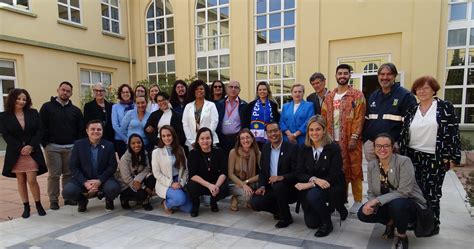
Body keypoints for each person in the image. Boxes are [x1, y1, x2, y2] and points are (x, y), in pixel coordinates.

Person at [399, 76, 461, 235]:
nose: (422, 91)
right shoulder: (412, 109)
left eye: (426, 88)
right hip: (412, 155)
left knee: (432, 192)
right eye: (419, 89)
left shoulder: (445, 107)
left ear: (434, 89)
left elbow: (453, 133)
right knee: (414, 190)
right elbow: (405, 132)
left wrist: (453, 157)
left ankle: (432, 225)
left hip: (435, 156)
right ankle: (416, 220)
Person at [358, 133, 427, 249]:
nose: (382, 149)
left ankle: (401, 235)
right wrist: (371, 203)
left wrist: (376, 201)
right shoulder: (372, 165)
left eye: (386, 146)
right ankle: (390, 223)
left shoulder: (404, 161)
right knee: (363, 213)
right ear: (374, 148)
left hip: (409, 203)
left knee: (397, 204)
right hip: (387, 203)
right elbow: (371, 192)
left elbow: (404, 192)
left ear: (392, 147)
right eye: (378, 146)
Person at [321, 64, 366, 213]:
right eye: (339, 73)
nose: (342, 76)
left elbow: (359, 118)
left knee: (354, 168)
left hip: (350, 140)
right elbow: (323, 118)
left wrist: (354, 137)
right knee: (339, 170)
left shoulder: (357, 95)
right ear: (335, 76)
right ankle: (343, 199)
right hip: (332, 141)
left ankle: (358, 200)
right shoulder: (329, 96)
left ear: (349, 76)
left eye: (345, 73)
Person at [295, 115, 347, 237]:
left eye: (318, 129)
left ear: (324, 130)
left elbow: (335, 173)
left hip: (331, 184)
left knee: (313, 194)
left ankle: (327, 223)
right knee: (312, 224)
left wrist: (310, 184)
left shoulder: (333, 147)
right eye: (311, 130)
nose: (314, 133)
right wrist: (314, 181)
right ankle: (327, 208)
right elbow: (299, 172)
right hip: (314, 185)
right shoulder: (303, 148)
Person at [0, 89, 48, 218]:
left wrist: (31, 146)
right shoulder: (4, 116)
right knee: (20, 180)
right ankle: (26, 206)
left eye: (24, 99)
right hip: (16, 153)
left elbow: (40, 131)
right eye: (19, 98)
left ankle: (38, 204)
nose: (22, 101)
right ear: (12, 99)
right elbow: (6, 135)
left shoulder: (33, 113)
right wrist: (19, 147)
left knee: (32, 179)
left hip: (32, 151)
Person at [40, 81, 84, 210]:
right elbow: (41, 126)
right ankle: (53, 200)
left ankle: (68, 197)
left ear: (71, 93)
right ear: (58, 90)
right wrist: (45, 144)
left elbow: (81, 129)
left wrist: (77, 145)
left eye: (68, 91)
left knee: (68, 174)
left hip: (70, 147)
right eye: (63, 90)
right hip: (52, 147)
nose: (65, 92)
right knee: (54, 175)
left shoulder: (75, 110)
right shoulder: (47, 107)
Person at [62, 120, 121, 212]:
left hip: (103, 179)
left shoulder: (109, 145)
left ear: (102, 131)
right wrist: (85, 182)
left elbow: (112, 166)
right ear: (87, 131)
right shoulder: (79, 145)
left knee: (114, 188)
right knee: (68, 192)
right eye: (92, 129)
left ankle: (109, 199)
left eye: (99, 129)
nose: (96, 131)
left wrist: (100, 180)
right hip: (84, 179)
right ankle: (82, 200)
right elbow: (73, 167)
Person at [363, 63, 417, 162]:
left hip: (393, 146)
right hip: (372, 145)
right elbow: (367, 119)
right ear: (378, 76)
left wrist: (399, 143)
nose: (385, 77)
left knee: (393, 175)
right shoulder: (373, 96)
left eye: (389, 74)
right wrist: (366, 140)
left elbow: (411, 124)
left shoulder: (405, 96)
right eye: (382, 74)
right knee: (375, 174)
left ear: (395, 76)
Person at [250, 122, 298, 228]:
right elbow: (263, 171)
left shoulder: (291, 148)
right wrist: (262, 186)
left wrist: (282, 177)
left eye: (275, 131)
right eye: (270, 132)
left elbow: (297, 173)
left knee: (278, 185)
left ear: (280, 131)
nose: (273, 134)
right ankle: (279, 210)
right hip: (270, 186)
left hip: (288, 187)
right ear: (266, 134)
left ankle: (286, 218)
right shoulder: (266, 148)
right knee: (255, 202)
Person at [186, 127, 228, 217]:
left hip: (215, 183)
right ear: (197, 140)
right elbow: (192, 175)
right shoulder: (193, 153)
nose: (205, 141)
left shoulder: (219, 152)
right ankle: (195, 205)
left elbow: (224, 172)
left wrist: (216, 186)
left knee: (225, 187)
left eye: (208, 138)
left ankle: (213, 201)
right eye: (202, 138)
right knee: (191, 186)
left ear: (212, 139)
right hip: (201, 183)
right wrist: (209, 186)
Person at [152, 125, 192, 214]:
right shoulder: (156, 152)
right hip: (166, 183)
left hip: (179, 181)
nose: (166, 138)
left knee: (189, 209)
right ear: (161, 137)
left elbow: (186, 169)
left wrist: (181, 183)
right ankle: (167, 203)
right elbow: (156, 173)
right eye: (163, 136)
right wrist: (171, 184)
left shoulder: (180, 149)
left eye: (169, 135)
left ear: (173, 136)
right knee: (180, 199)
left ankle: (175, 198)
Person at [117, 134, 155, 211]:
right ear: (129, 145)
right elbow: (126, 178)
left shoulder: (144, 153)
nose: (136, 145)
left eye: (139, 142)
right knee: (142, 194)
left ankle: (145, 200)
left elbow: (147, 168)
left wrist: (138, 180)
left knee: (152, 178)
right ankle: (124, 198)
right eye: (133, 143)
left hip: (138, 180)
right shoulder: (124, 159)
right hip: (127, 184)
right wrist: (144, 187)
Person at [227, 129, 260, 211]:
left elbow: (262, 173)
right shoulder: (233, 152)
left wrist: (246, 182)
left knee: (260, 196)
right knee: (249, 196)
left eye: (247, 137)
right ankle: (235, 199)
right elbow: (230, 174)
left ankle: (238, 198)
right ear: (239, 140)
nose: (245, 140)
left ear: (252, 139)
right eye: (242, 138)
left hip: (251, 183)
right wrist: (242, 184)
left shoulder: (258, 153)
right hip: (234, 183)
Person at [182, 80, 219, 150]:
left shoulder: (211, 105)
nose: (199, 91)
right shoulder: (188, 106)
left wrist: (207, 138)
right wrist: (192, 141)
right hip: (193, 142)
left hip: (209, 142)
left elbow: (214, 122)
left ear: (205, 91)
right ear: (193, 91)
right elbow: (185, 124)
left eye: (201, 89)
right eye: (196, 89)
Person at [243, 81, 280, 149]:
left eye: (264, 89)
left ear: (268, 91)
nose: (262, 91)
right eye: (260, 90)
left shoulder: (273, 105)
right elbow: (246, 121)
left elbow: (276, 120)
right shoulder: (251, 105)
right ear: (257, 92)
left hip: (270, 136)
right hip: (254, 137)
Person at [216, 80, 248, 155]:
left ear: (239, 90)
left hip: (237, 139)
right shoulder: (219, 104)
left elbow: (246, 124)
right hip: (222, 139)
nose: (233, 89)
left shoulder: (244, 105)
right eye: (231, 87)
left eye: (236, 87)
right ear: (227, 89)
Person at [112, 84, 135, 157]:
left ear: (130, 93)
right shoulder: (115, 107)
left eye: (127, 92)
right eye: (123, 92)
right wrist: (126, 139)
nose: (125, 94)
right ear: (120, 94)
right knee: (124, 163)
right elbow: (115, 125)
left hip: (134, 139)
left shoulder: (136, 106)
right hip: (120, 140)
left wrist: (132, 138)